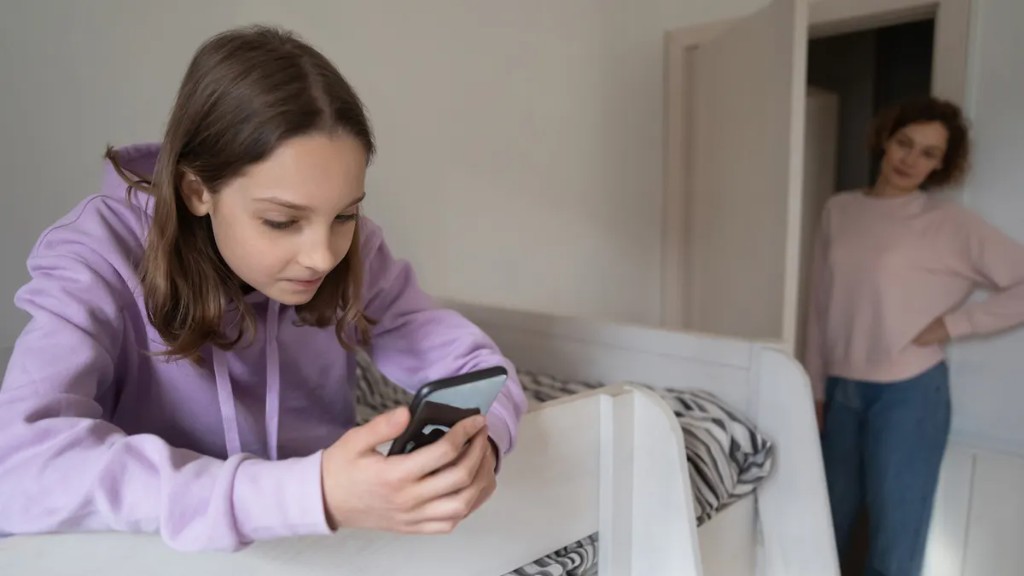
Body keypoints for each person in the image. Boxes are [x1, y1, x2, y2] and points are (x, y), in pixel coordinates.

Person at [0, 25, 527, 552]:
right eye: (281, 220)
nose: (323, 255)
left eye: (345, 213)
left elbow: (481, 373)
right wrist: (307, 492)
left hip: (321, 554)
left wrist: (483, 446)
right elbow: (20, 470)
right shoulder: (98, 252)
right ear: (197, 191)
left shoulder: (356, 250)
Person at [803, 95, 1024, 575]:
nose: (911, 159)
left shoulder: (948, 223)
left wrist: (953, 325)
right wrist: (815, 387)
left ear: (941, 165)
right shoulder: (839, 210)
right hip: (840, 393)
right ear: (885, 138)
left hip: (910, 394)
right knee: (822, 527)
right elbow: (820, 304)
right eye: (905, 143)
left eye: (929, 153)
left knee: (895, 537)